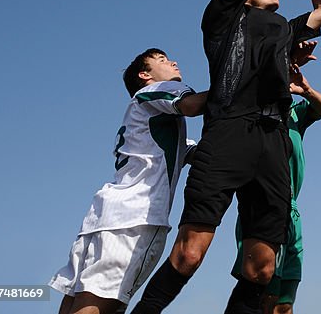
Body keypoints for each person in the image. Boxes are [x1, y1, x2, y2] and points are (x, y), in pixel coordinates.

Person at [130, 0, 321, 314]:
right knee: (189, 254)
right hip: (228, 134)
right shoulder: (222, 19)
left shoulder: (284, 29)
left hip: (272, 141)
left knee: (261, 269)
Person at [50, 49, 207, 314]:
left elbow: (193, 152)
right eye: (162, 60)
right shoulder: (154, 91)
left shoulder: (145, 121)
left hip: (103, 216)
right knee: (104, 306)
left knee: (76, 303)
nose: (173, 62)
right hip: (136, 218)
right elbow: (191, 106)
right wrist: (239, 81)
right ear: (145, 75)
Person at [230, 46, 321, 314]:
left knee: (285, 303)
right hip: (263, 206)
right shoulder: (253, 114)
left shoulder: (294, 115)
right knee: (264, 296)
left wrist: (306, 90)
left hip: (291, 211)